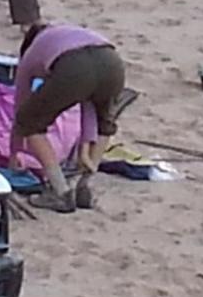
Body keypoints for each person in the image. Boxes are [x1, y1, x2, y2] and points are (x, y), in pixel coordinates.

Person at [9, 23, 126, 213]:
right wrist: (84, 151)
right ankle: (84, 185)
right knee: (105, 122)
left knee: (30, 123)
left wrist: (14, 152)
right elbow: (88, 104)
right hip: (112, 62)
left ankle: (60, 192)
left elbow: (20, 111)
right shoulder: (66, 35)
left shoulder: (30, 55)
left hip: (75, 67)